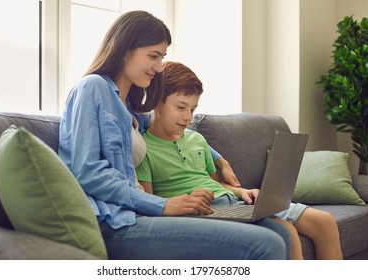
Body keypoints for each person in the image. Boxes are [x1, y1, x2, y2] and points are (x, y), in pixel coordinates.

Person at [58, 10, 291, 260]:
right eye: (153, 56)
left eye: (162, 57)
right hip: (116, 222)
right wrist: (163, 205)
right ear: (125, 50)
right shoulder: (92, 87)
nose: (159, 68)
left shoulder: (132, 110)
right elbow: (87, 172)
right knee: (267, 244)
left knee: (279, 231)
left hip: (141, 214)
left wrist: (219, 160)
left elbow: (172, 132)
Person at [136, 61, 343, 260]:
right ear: (156, 102)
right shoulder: (145, 149)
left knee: (316, 223)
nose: (188, 117)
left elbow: (216, 183)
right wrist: (187, 199)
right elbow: (152, 204)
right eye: (181, 107)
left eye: (193, 109)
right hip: (202, 213)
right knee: (286, 232)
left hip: (232, 202)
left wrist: (244, 192)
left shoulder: (197, 139)